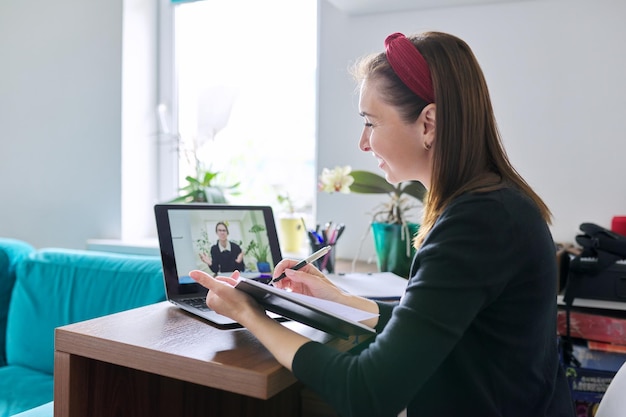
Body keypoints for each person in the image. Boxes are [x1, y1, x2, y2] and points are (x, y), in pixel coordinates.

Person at [189, 31, 575, 416]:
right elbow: (431, 330)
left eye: (371, 123)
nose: (363, 142)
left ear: (429, 124)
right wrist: (339, 299)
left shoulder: (477, 224)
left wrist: (251, 316)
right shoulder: (494, 204)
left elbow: (367, 392)